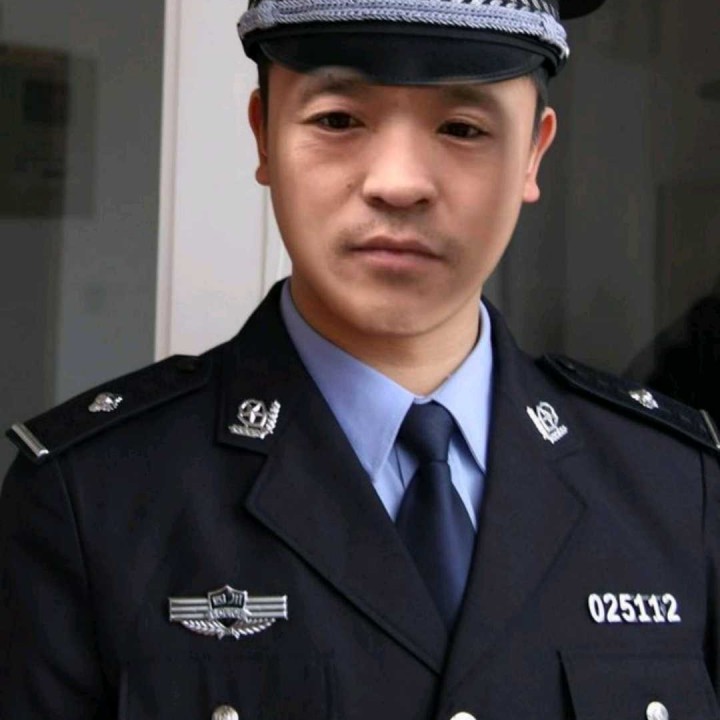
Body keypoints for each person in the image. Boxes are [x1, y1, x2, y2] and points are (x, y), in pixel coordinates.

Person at [2, 1, 720, 718]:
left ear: (534, 151)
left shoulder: (675, 489)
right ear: (263, 136)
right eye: (339, 120)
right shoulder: (90, 501)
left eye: (461, 128)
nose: (398, 183)